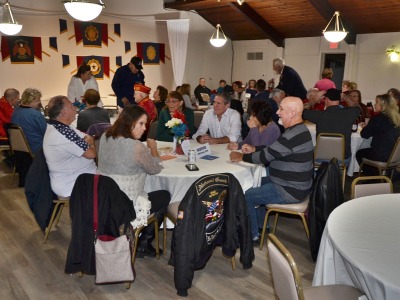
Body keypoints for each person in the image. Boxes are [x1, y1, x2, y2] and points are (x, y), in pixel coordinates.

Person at [229, 97, 314, 242]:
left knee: (246, 195)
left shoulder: (292, 135)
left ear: (292, 113)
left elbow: (264, 157)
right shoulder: (299, 130)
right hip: (294, 183)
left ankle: (252, 235)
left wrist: (241, 157)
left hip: (290, 189)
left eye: (281, 109)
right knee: (254, 182)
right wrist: (255, 148)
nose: (277, 112)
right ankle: (262, 225)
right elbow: (274, 150)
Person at [98, 105, 171, 257]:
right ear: (130, 122)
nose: (144, 128)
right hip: (126, 204)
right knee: (165, 195)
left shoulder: (105, 137)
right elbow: (155, 169)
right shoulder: (136, 146)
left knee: (150, 191)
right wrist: (153, 148)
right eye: (141, 123)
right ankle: (143, 243)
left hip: (104, 199)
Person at [43, 95, 97, 198]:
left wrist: (88, 141)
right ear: (64, 113)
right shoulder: (63, 133)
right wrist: (91, 143)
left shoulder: (60, 127)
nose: (75, 108)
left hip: (80, 177)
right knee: (117, 185)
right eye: (72, 106)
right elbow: (91, 154)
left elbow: (86, 136)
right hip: (74, 183)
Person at [303, 88, 360, 160]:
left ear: (326, 100)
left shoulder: (319, 115)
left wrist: (315, 100)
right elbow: (357, 107)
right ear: (339, 100)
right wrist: (345, 97)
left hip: (321, 156)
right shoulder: (349, 113)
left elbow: (300, 110)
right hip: (342, 158)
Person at [356, 93, 400, 176]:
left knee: (360, 153)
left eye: (376, 102)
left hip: (382, 156)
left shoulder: (378, 118)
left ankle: (373, 178)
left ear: (383, 105)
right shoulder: (397, 118)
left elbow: (364, 134)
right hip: (395, 156)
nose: (374, 105)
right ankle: (385, 175)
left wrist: (368, 126)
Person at [11, 88, 46, 154]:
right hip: (37, 149)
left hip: (20, 150)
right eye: (38, 100)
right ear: (32, 101)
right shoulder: (36, 115)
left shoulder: (15, 112)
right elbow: (46, 133)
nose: (39, 102)